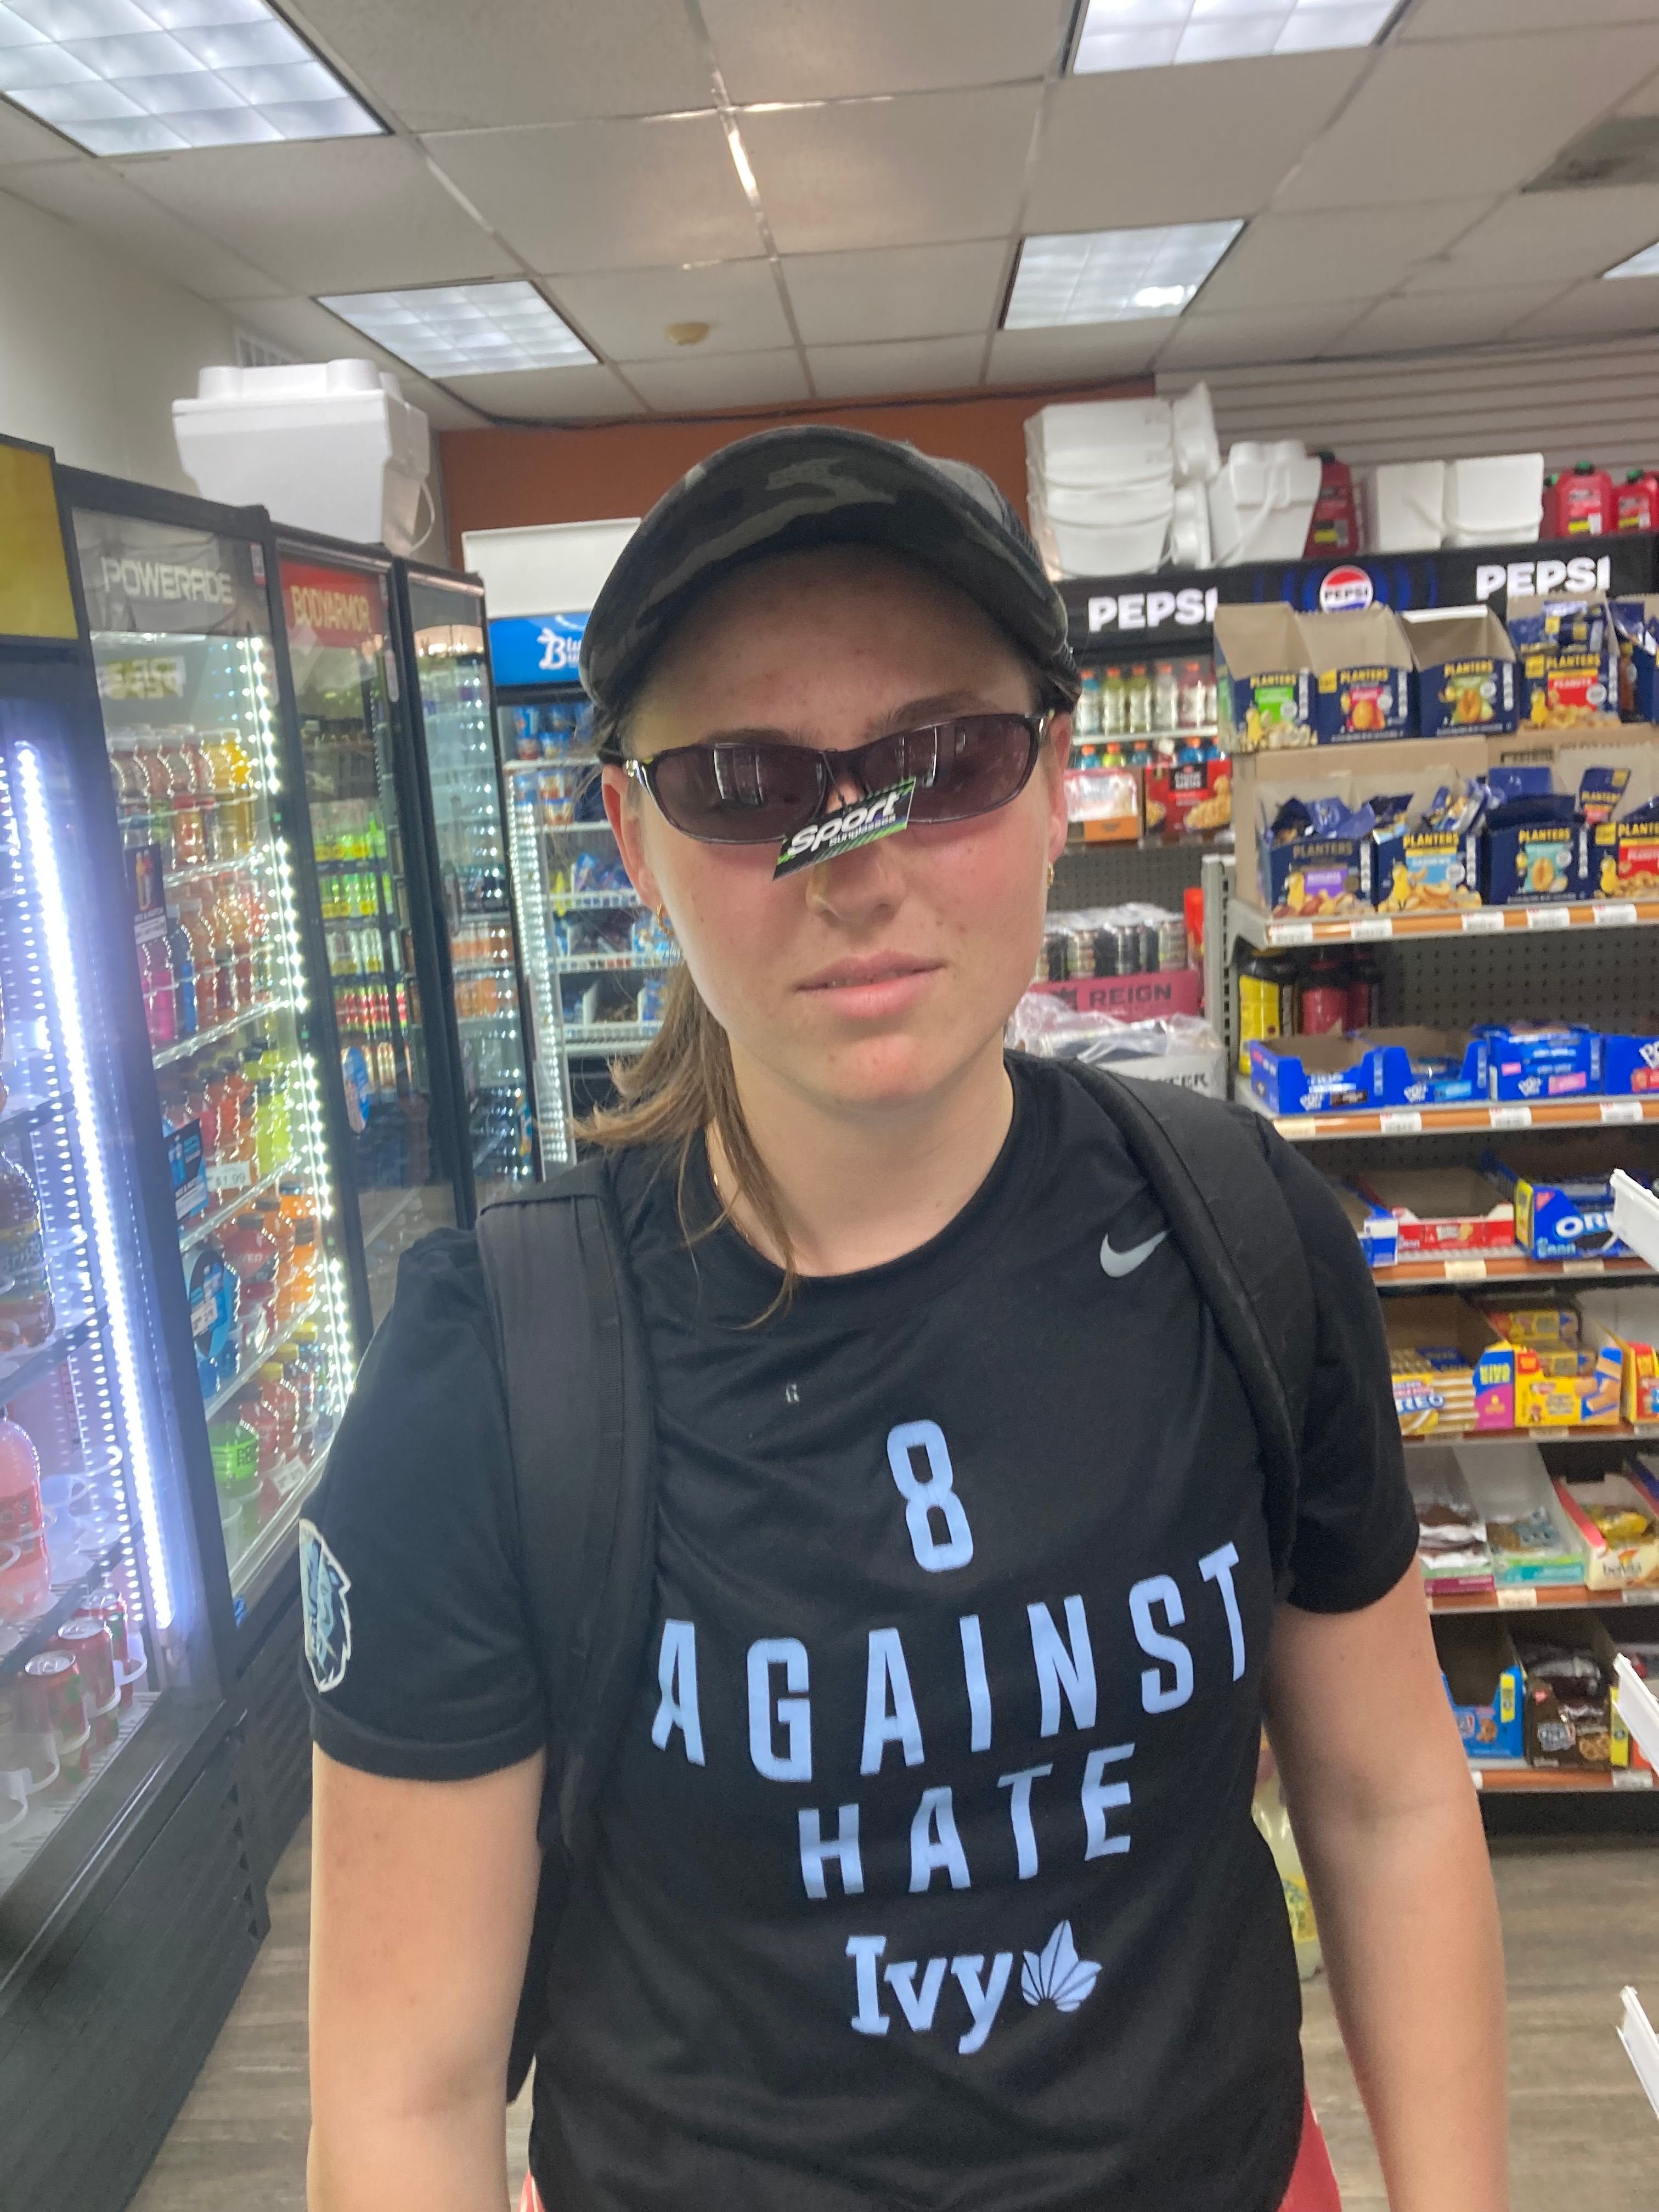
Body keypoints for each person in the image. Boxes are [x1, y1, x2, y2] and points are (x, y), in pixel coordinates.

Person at [301, 426, 1508, 2212]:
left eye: (939, 763)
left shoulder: (1244, 1238)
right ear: (631, 832)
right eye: (744, 779)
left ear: (1058, 780)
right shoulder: (496, 1363)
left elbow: (1397, 1806)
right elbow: (403, 2094)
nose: (857, 865)